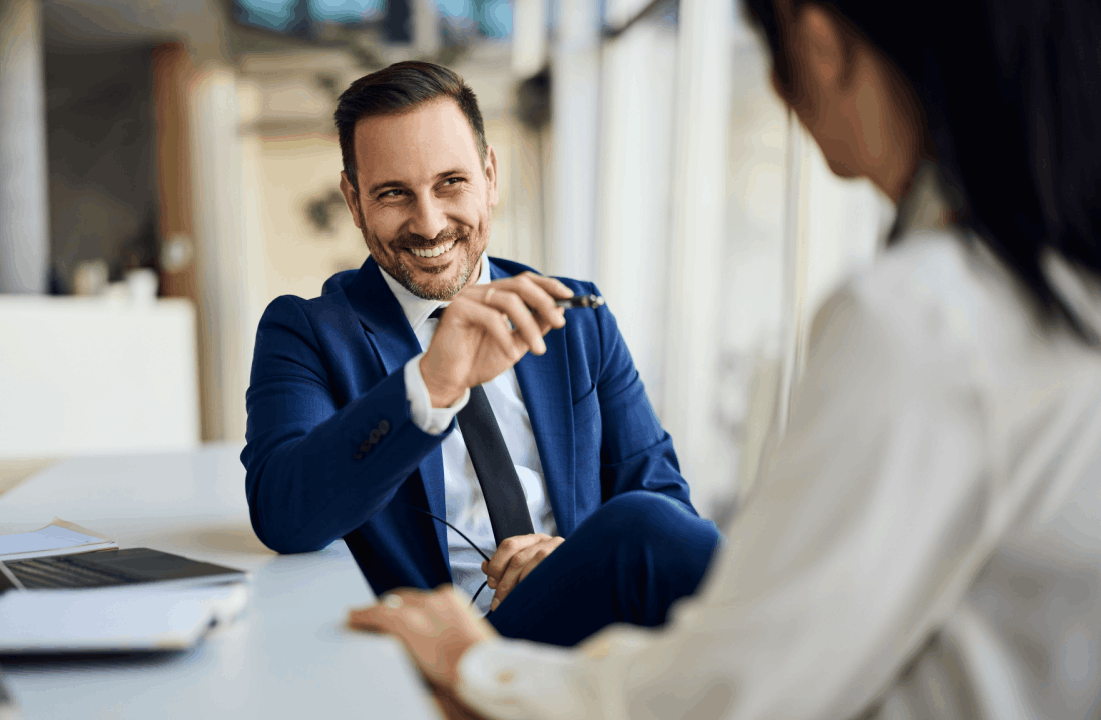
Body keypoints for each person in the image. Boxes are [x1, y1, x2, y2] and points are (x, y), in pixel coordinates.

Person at [348, 1, 1101, 718]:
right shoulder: (1051, 281)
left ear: (820, 44)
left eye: (772, 47)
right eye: (394, 193)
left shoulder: (920, 313)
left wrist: (478, 666)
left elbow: (741, 680)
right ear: (355, 202)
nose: (776, 84)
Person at [242, 62, 720, 647]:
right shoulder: (307, 333)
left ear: (490, 176)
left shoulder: (575, 316)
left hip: (585, 631)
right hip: (443, 650)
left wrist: (569, 558)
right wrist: (431, 385)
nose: (429, 223)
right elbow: (284, 515)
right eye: (393, 193)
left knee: (652, 525)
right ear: (354, 200)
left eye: (451, 183)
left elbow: (668, 507)